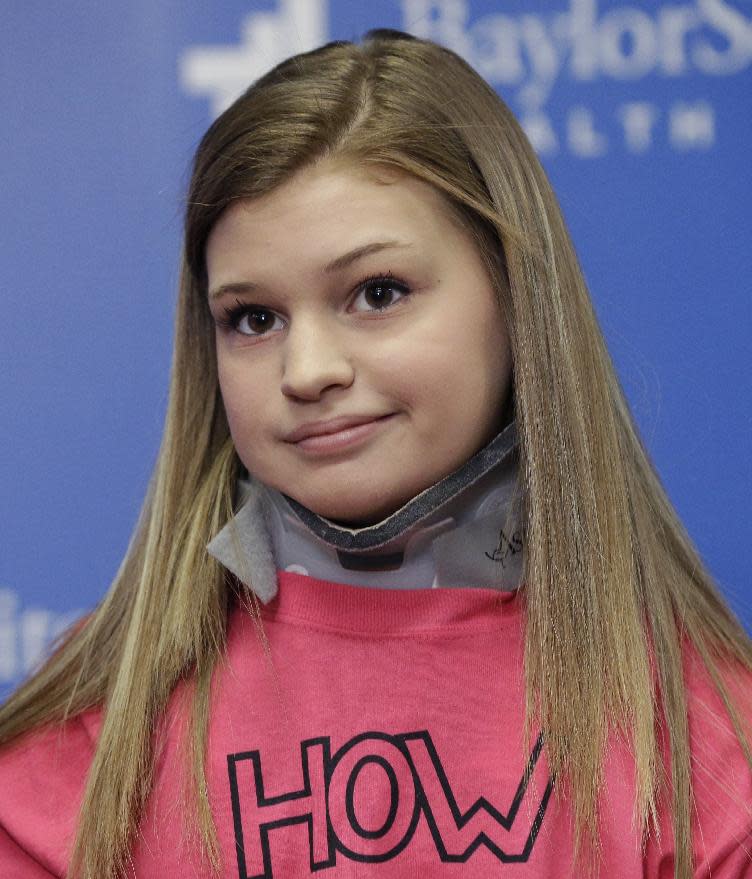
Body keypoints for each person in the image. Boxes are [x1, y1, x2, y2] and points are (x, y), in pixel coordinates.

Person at [0, 28, 750, 879]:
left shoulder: (699, 731)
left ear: (514, 299)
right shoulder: (96, 721)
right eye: (253, 318)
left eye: (377, 293)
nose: (308, 370)